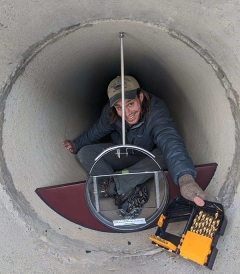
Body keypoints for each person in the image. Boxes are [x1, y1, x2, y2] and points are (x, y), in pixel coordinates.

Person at [63, 75, 206, 213]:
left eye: (130, 104)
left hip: (146, 157)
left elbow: (170, 142)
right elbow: (97, 131)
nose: (126, 113)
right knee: (85, 153)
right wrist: (76, 144)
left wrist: (185, 180)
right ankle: (126, 188)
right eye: (119, 108)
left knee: (164, 154)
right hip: (122, 155)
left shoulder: (156, 110)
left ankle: (114, 186)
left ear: (141, 97)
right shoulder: (111, 112)